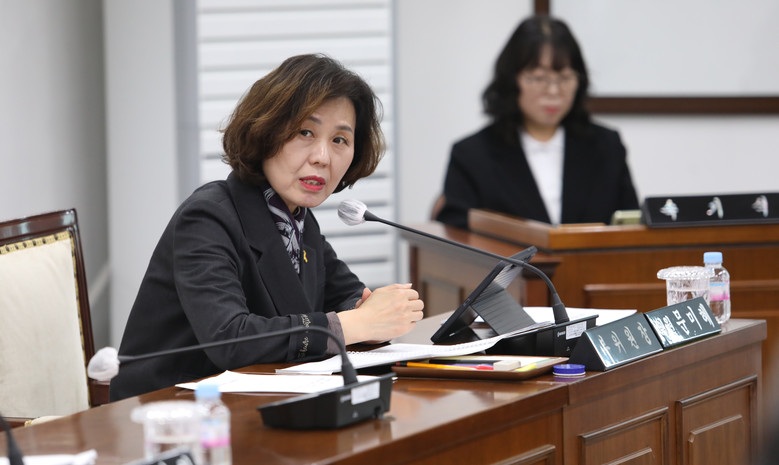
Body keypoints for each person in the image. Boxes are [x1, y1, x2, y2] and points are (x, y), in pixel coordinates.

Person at [110, 54, 424, 401]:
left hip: (255, 401)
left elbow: (347, 297)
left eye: (340, 140)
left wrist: (377, 313)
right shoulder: (207, 217)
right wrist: (357, 324)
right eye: (305, 132)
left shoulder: (299, 221)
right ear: (266, 131)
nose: (322, 157)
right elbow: (230, 338)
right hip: (167, 410)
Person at [435, 15, 639, 229]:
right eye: (539, 78)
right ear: (512, 80)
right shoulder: (471, 155)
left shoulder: (607, 146)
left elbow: (632, 225)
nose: (553, 91)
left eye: (564, 78)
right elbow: (455, 233)